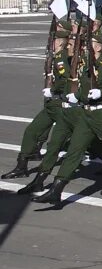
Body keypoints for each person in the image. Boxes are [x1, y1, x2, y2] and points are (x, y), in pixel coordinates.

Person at [28, 38, 102, 206]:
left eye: (90, 45)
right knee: (74, 151)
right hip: (87, 116)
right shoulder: (88, 67)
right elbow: (84, 90)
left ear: (99, 47)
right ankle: (56, 190)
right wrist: (77, 96)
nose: (86, 48)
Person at [3, 29, 69, 180]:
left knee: (81, 139)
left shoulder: (61, 59)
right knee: (32, 131)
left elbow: (65, 80)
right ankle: (21, 166)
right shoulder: (55, 57)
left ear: (59, 42)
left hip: (61, 104)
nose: (51, 42)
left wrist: (52, 89)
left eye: (53, 40)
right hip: (52, 104)